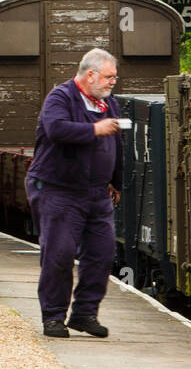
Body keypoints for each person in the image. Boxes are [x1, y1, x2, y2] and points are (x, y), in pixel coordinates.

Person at [26, 48, 123, 338]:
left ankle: (84, 314)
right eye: (108, 77)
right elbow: (56, 130)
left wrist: (115, 181)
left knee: (102, 253)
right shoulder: (61, 97)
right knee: (59, 254)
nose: (112, 83)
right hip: (59, 189)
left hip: (96, 192)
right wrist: (95, 130)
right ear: (90, 74)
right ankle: (53, 317)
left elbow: (117, 143)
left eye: (114, 78)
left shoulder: (109, 104)